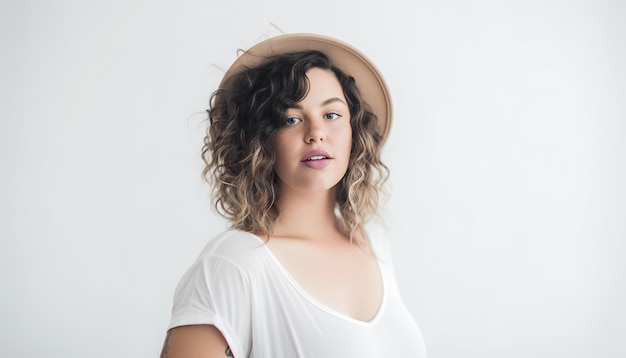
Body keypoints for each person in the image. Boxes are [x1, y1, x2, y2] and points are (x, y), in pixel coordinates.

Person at [161, 33, 427, 357]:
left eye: (331, 115)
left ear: (354, 132)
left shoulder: (372, 242)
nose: (316, 132)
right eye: (291, 119)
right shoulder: (234, 264)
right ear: (261, 141)